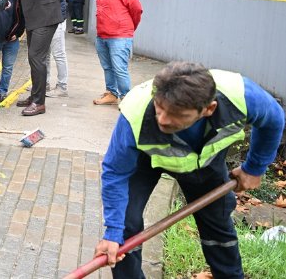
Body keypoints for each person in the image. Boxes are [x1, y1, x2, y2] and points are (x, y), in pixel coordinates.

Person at [94, 62, 285, 278]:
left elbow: (273, 119)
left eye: (176, 114)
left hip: (204, 162)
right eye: (159, 107)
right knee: (125, 227)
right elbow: (115, 173)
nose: (162, 119)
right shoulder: (135, 113)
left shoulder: (241, 97)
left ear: (208, 109)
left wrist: (255, 167)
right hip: (145, 160)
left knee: (217, 221)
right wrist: (112, 232)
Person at [13, 0, 63, 116]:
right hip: (34, 18)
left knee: (37, 57)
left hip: (46, 17)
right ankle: (34, 96)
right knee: (32, 58)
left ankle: (39, 103)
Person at [93, 0, 143, 105]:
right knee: (108, 67)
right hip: (102, 36)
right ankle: (112, 93)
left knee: (119, 68)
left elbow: (137, 10)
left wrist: (128, 28)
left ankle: (126, 99)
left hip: (119, 37)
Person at [45, 0, 70, 98]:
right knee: (45, 54)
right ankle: (45, 83)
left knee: (58, 54)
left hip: (57, 18)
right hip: (45, 18)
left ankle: (62, 86)